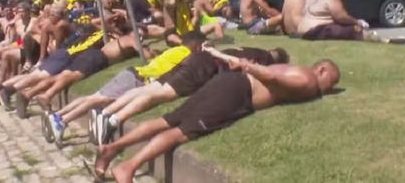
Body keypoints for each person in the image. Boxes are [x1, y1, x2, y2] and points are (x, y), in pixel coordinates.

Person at [93, 58, 340, 182]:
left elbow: (275, 76)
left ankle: (112, 149)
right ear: (322, 70)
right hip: (236, 92)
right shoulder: (308, 80)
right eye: (332, 81)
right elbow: (274, 79)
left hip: (228, 82)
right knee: (182, 132)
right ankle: (129, 166)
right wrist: (249, 67)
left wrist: (247, 68)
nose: (329, 88)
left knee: (168, 120)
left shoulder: (294, 67)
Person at [93, 44, 289, 146]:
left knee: (151, 89)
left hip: (197, 59)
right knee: (160, 94)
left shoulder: (251, 48)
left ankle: (107, 112)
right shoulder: (262, 58)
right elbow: (238, 63)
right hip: (204, 67)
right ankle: (113, 121)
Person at [42, 31, 207, 145]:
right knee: (97, 99)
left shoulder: (175, 50)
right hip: (138, 79)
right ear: (196, 44)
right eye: (201, 45)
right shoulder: (186, 54)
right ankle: (62, 121)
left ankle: (58, 116)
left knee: (94, 97)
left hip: (133, 74)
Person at [297, 0, 405, 44]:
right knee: (354, 29)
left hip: (302, 30)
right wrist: (357, 22)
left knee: (339, 28)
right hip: (317, 30)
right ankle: (381, 40)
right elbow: (341, 17)